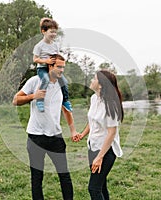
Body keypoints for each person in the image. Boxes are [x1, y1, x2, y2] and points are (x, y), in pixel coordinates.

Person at [12, 54, 79, 200]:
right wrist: (32, 96)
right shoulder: (35, 81)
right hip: (35, 137)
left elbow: (66, 109)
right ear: (50, 65)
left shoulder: (62, 85)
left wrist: (73, 130)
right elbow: (15, 100)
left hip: (55, 137)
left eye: (63, 67)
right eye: (59, 67)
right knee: (37, 177)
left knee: (64, 175)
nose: (61, 70)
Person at [78, 70, 124, 200]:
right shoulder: (94, 99)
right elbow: (92, 120)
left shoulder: (111, 104)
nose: (92, 80)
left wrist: (99, 157)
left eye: (94, 78)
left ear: (101, 84)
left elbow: (111, 133)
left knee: (93, 188)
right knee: (101, 185)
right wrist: (83, 134)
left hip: (106, 151)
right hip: (93, 146)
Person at [33, 17, 72, 112]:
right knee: (45, 79)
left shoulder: (55, 45)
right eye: (51, 32)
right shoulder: (39, 46)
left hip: (53, 69)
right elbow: (35, 59)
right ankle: (40, 100)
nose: (54, 34)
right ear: (44, 31)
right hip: (42, 68)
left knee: (64, 82)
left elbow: (57, 56)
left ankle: (65, 100)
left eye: (55, 32)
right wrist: (46, 61)